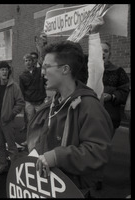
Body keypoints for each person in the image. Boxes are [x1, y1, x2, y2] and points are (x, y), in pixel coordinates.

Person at [27, 41, 113, 198]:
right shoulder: (54, 102)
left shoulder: (89, 106)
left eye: (47, 67)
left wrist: (57, 157)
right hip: (50, 186)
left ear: (65, 69)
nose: (42, 72)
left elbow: (98, 152)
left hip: (75, 190)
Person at [101, 41, 130, 131]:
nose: (102, 53)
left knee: (104, 144)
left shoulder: (118, 71)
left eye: (105, 51)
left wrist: (112, 96)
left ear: (109, 54)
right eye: (99, 50)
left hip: (110, 116)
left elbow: (125, 91)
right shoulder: (88, 71)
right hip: (90, 117)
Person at [19, 53, 46, 145]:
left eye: (29, 60)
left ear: (33, 62)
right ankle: (29, 140)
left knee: (41, 122)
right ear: (24, 63)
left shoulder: (39, 71)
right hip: (29, 102)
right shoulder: (22, 76)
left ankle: (42, 140)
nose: (28, 63)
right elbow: (22, 91)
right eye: (26, 61)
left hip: (40, 101)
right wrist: (23, 104)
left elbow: (44, 65)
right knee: (30, 123)